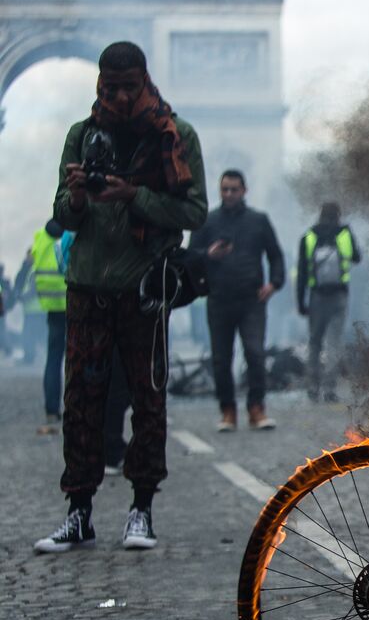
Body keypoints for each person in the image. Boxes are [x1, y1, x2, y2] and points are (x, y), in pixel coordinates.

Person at [34, 40, 207, 554]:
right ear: (99, 84)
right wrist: (80, 196)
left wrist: (134, 195)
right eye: (110, 87)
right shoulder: (81, 136)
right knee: (80, 403)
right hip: (87, 288)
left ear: (146, 80)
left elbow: (195, 212)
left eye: (130, 86)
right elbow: (61, 216)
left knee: (147, 400)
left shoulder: (176, 137)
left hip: (143, 291)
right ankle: (78, 512)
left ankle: (141, 509)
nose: (121, 97)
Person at [190, 169, 285, 431]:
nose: (229, 194)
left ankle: (256, 408)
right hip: (218, 299)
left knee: (255, 354)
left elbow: (275, 255)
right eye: (225, 189)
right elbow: (189, 257)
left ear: (244, 190)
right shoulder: (208, 222)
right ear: (220, 191)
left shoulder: (258, 221)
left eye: (234, 189)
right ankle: (228, 411)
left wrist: (274, 283)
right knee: (221, 359)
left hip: (251, 300)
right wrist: (208, 255)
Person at [296, 202, 360, 401]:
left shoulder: (308, 237)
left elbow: (302, 274)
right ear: (338, 215)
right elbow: (357, 258)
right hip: (339, 296)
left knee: (315, 343)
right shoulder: (344, 235)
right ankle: (330, 389)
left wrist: (301, 302)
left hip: (317, 297)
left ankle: (313, 387)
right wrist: (347, 233)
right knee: (334, 343)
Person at [31, 219, 74, 427]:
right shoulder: (71, 234)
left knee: (54, 358)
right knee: (78, 358)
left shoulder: (40, 238)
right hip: (74, 303)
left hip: (51, 307)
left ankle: (51, 410)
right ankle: (76, 408)